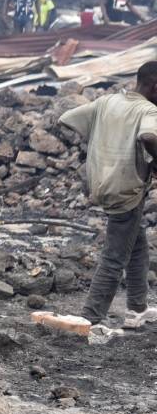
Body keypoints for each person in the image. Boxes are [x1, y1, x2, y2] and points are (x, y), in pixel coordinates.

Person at [58, 61, 157, 328]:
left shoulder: (107, 102)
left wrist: (104, 145)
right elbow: (149, 136)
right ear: (154, 86)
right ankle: (90, 317)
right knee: (114, 257)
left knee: (137, 245)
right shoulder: (148, 110)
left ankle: (137, 308)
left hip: (104, 183)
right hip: (126, 188)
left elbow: (67, 118)